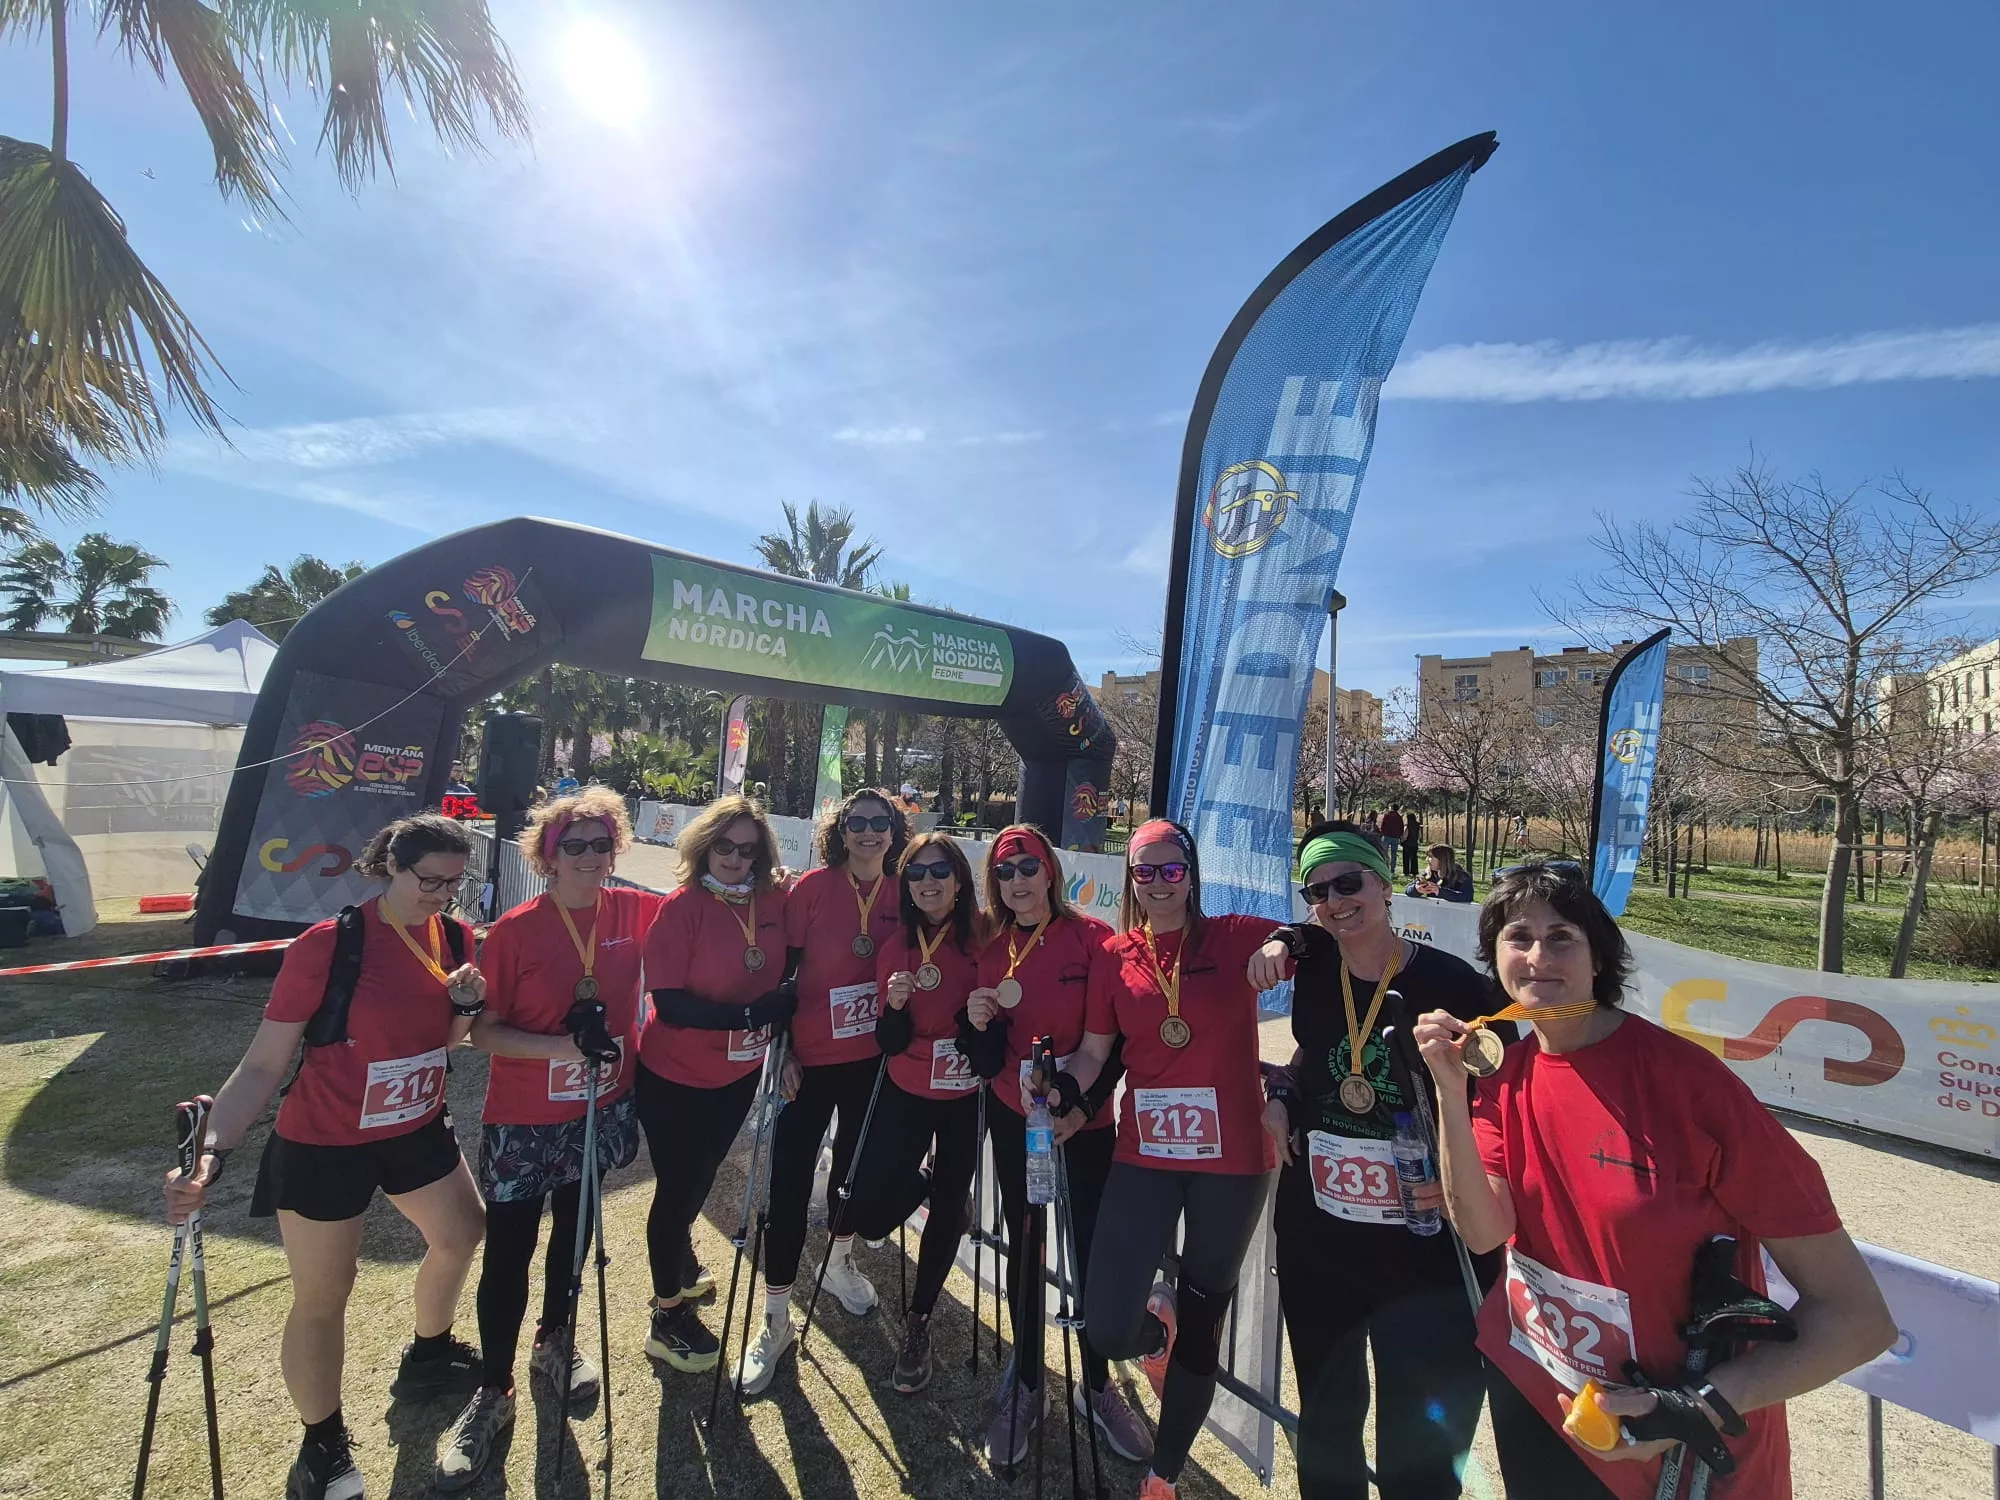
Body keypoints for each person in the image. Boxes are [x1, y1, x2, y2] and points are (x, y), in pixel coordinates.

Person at [1413, 863, 1895, 1500]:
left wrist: (1697, 1405)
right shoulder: (1504, 1078)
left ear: (1598, 958)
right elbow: (1483, 1231)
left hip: (1674, 1448)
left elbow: (1858, 1318)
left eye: (1561, 937)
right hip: (1541, 1396)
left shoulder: (1691, 1088)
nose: (1537, 956)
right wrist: (1451, 1092)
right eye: (1517, 937)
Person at [164, 813, 487, 1500]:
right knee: (324, 1294)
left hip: (415, 1125)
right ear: (389, 867)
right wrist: (211, 1155)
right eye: (428, 880)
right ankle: (322, 1442)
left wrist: (465, 1005)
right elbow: (261, 1066)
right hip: (326, 1140)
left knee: (462, 1233)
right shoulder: (327, 946)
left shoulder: (456, 937)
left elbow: (451, 1039)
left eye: (453, 884)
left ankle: (428, 1355)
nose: (440, 895)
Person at [1245, 821, 1497, 1500]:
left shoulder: (1454, 984)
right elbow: (1315, 1059)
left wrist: (1467, 1179)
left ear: (1385, 885)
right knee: (1327, 1420)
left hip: (1424, 1248)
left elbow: (1504, 1104)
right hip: (1321, 1232)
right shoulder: (1317, 970)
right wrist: (1281, 1092)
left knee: (1419, 1439)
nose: (1335, 900)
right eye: (1318, 890)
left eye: (1349, 882)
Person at [436, 788, 657, 1489]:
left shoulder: (632, 909)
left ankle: (555, 1341)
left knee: (577, 1232)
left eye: (602, 845)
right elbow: (480, 1033)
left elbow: (713, 899)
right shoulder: (515, 929)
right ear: (548, 855)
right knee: (509, 1252)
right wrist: (563, 1048)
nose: (592, 858)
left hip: (600, 1109)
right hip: (526, 1118)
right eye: (576, 846)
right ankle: (492, 1390)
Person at [1067, 820, 1281, 1500]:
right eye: (1145, 872)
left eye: (1171, 870)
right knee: (1104, 1321)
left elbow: (1305, 938)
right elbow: (1094, 1054)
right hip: (1146, 1155)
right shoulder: (1115, 954)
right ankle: (1150, 1337)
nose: (1159, 884)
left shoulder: (1236, 935)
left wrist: (1288, 942)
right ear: (1130, 879)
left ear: (1192, 874)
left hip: (1235, 1160)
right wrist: (1058, 1086)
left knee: (1204, 1309)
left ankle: (1164, 1474)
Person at [958, 824, 1151, 1466]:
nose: (1017, 882)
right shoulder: (988, 949)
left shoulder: (1092, 939)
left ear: (1050, 873)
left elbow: (1113, 1045)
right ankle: (1032, 1384)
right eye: (1005, 872)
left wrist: (1084, 1104)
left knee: (1092, 1250)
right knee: (1025, 1244)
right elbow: (986, 1057)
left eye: (1028, 868)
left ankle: (1096, 1387)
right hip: (1017, 1123)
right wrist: (975, 1025)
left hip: (1086, 1126)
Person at [734, 788, 910, 1394]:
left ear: (893, 830)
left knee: (853, 1178)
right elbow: (784, 975)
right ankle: (776, 1317)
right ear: (841, 830)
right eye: (856, 823)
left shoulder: (901, 891)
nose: (867, 832)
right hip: (807, 1063)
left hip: (871, 1064)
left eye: (878, 823)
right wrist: (780, 1048)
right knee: (786, 1185)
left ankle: (837, 1262)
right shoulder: (808, 889)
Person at [636, 795, 796, 1372]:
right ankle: (667, 1315)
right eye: (724, 846)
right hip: (673, 1075)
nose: (734, 857)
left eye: (747, 849)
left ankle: (678, 1262)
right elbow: (670, 1003)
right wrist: (752, 1016)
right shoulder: (682, 908)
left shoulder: (773, 899)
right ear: (705, 846)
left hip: (736, 1075)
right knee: (677, 1189)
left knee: (701, 1177)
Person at [848, 831, 991, 1392]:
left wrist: (974, 1023)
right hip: (907, 1088)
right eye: (916, 873)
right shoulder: (897, 946)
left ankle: (919, 1320)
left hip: (962, 1096)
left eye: (939, 872)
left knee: (949, 1205)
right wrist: (895, 1006)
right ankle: (941, 1193)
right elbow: (886, 1039)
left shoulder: (985, 938)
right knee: (871, 1214)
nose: (928, 882)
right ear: (904, 884)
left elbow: (993, 1041)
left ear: (959, 881)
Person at [1410, 845, 1474, 904]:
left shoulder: (1462, 877)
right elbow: (1408, 891)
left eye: (1430, 857)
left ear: (1442, 859)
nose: (1427, 860)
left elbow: (1467, 897)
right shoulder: (1427, 874)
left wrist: (1440, 892)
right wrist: (1416, 889)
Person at [1379, 805, 1406, 875]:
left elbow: (1382, 825)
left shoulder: (1387, 815)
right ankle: (1392, 870)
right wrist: (1400, 835)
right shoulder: (1399, 817)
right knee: (1394, 854)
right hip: (1395, 837)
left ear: (1391, 808)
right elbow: (1401, 827)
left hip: (1386, 836)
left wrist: (1382, 833)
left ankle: (1385, 868)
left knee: (1384, 853)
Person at [1403, 809, 1424, 878]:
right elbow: (1419, 835)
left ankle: (1406, 872)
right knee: (1414, 858)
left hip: (1407, 844)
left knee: (1406, 858)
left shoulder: (1407, 826)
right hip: (1414, 844)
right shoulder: (1418, 825)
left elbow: (1405, 835)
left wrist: (1402, 840)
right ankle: (1414, 871)